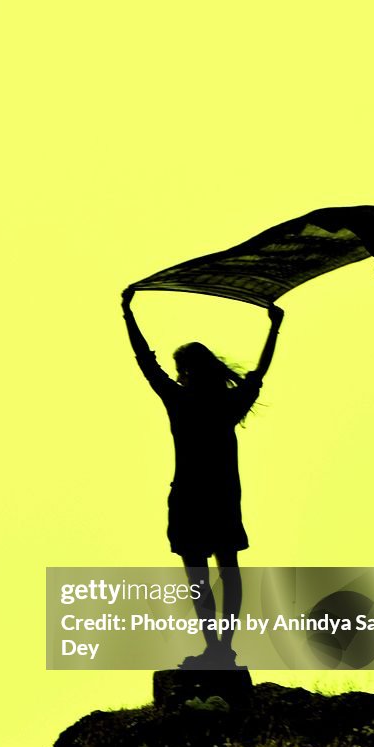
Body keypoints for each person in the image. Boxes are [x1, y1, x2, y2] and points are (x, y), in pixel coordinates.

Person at [121, 287, 283, 669]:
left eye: (181, 371)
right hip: (221, 495)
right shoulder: (227, 404)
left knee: (201, 573)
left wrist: (128, 314)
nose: (177, 377)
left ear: (190, 372)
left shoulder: (180, 401)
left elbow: (146, 362)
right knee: (227, 569)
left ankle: (216, 645)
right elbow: (259, 374)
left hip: (191, 497)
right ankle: (221, 646)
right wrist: (274, 330)